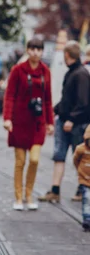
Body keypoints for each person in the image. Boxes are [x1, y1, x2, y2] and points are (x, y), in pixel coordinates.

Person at [2, 38, 54, 211]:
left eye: (39, 49)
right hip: (19, 121)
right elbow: (9, 95)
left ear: (42, 51)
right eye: (32, 49)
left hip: (37, 122)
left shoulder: (45, 71)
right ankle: (18, 197)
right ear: (27, 50)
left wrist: (50, 122)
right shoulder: (18, 70)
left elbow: (47, 99)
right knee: (20, 161)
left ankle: (29, 194)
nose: (35, 53)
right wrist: (7, 118)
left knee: (34, 159)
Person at [39, 41, 90, 203]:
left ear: (67, 54)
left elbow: (83, 102)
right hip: (64, 121)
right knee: (59, 156)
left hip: (75, 124)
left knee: (80, 158)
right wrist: (54, 111)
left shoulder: (80, 74)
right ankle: (55, 190)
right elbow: (67, 100)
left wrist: (71, 119)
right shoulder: (72, 73)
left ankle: (83, 188)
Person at [73, 125, 90, 232]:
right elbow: (76, 160)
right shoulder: (81, 149)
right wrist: (80, 171)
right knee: (87, 199)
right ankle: (87, 218)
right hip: (85, 180)